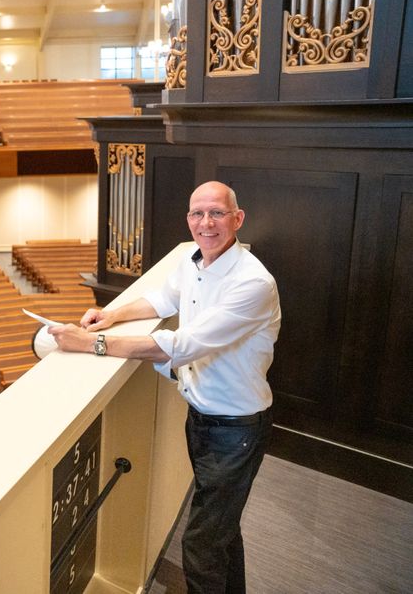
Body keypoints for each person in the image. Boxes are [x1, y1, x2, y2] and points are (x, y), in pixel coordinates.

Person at [48, 181, 281, 593]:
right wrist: (111, 314)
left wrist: (92, 343)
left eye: (216, 213)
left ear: (238, 219)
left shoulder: (253, 283)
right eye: (197, 214)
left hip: (236, 429)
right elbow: (162, 299)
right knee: (222, 531)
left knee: (201, 546)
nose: (205, 223)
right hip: (203, 418)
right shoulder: (195, 261)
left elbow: (181, 345)